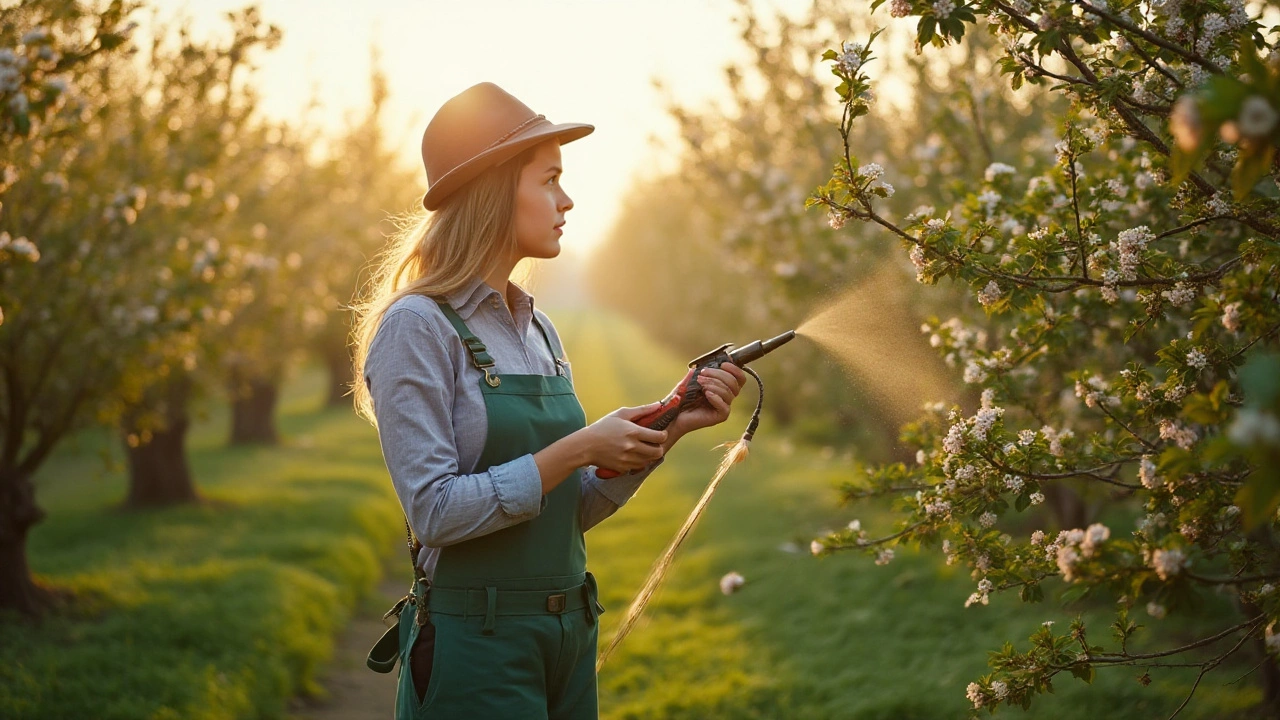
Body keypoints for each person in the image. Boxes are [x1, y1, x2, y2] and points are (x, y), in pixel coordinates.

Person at [350, 82, 747, 720]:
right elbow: (435, 512)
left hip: (567, 634)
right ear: (492, 191)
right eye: (550, 180)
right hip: (478, 645)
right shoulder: (418, 327)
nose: (567, 200)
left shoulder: (536, 327)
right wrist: (577, 448)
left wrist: (667, 428)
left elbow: (568, 511)